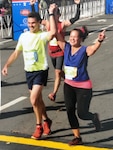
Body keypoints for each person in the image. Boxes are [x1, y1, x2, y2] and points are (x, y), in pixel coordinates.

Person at [2, 3, 57, 140]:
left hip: (40, 71)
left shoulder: (42, 35)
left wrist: (51, 14)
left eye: (34, 23)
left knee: (33, 100)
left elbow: (53, 32)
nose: (31, 25)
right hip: (29, 72)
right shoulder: (23, 36)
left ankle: (38, 126)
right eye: (29, 22)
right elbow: (16, 53)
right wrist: (6, 65)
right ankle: (46, 120)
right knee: (38, 100)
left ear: (39, 23)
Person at [56, 26, 105, 145]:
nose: (72, 39)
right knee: (70, 111)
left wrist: (99, 40)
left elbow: (93, 49)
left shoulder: (84, 50)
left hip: (83, 87)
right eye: (71, 37)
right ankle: (77, 137)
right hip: (68, 85)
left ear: (81, 39)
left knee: (82, 114)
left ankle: (93, 117)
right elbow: (56, 34)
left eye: (75, 37)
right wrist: (51, 14)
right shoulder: (66, 47)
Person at [30, 0, 81, 101]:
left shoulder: (63, 24)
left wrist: (78, 5)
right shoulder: (48, 24)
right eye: (52, 13)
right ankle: (70, 80)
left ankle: (53, 93)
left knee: (57, 72)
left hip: (61, 51)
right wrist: (32, 6)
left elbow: (76, 17)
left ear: (59, 15)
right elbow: (38, 19)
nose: (53, 15)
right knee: (59, 72)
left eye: (56, 13)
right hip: (51, 52)